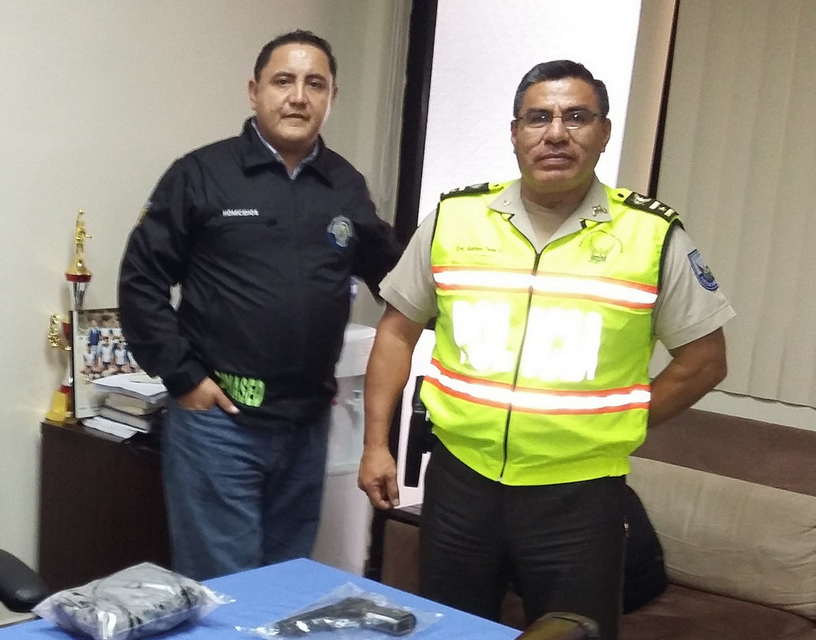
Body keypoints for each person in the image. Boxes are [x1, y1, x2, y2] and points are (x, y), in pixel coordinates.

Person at [357, 60, 735, 639]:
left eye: (576, 117)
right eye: (539, 118)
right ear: (515, 133)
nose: (556, 133)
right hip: (460, 481)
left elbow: (705, 361)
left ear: (603, 132)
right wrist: (375, 445)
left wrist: (623, 421)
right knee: (450, 632)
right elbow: (396, 332)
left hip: (579, 496)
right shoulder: (455, 219)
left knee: (573, 632)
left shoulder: (651, 235)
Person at [119, 30, 401, 581]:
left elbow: (395, 277)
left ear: (332, 96)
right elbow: (141, 282)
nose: (298, 97)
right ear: (255, 92)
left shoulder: (344, 184)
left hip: (306, 425)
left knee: (283, 584)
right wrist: (184, 377)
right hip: (219, 425)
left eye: (314, 84)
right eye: (283, 81)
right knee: (225, 590)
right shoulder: (202, 174)